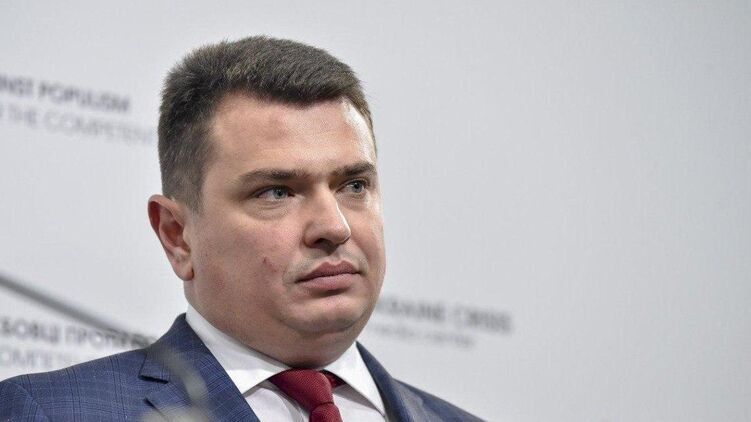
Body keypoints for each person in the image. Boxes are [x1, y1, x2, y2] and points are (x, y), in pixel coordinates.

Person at [0, 36, 481, 421]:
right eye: (277, 192)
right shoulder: (50, 413)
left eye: (354, 185)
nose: (334, 227)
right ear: (177, 235)